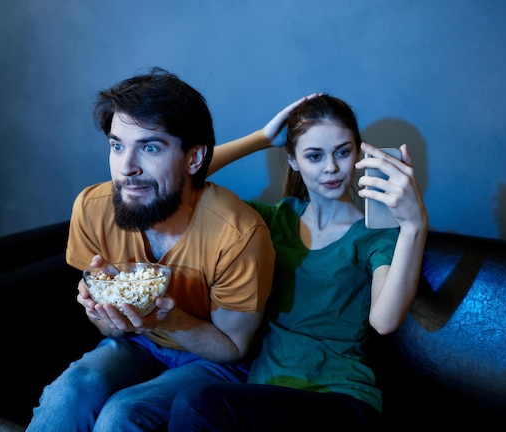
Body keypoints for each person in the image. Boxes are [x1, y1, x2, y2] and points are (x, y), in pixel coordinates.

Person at [25, 67, 275, 432]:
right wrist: (103, 312)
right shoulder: (93, 208)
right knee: (71, 392)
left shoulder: (240, 235)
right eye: (117, 145)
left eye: (150, 147)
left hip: (213, 361)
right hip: (139, 344)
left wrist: (167, 319)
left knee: (124, 413)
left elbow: (233, 347)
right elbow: (111, 332)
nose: (126, 167)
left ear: (193, 159)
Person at [167, 94, 429, 431]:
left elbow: (384, 320)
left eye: (343, 152)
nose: (332, 168)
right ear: (292, 160)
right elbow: (179, 186)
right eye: (314, 156)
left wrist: (413, 225)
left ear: (358, 152)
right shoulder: (276, 220)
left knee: (195, 404)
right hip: (266, 398)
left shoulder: (374, 233)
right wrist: (260, 139)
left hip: (341, 401)